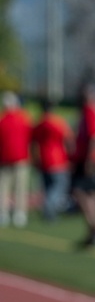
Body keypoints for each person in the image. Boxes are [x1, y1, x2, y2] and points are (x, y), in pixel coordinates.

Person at [70, 83, 95, 247]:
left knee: (80, 192)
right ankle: (93, 229)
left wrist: (90, 160)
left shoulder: (92, 112)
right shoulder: (91, 111)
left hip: (89, 159)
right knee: (91, 193)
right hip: (88, 158)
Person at [31, 99, 74, 220]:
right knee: (59, 186)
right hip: (57, 159)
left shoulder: (39, 123)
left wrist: (35, 159)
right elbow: (69, 139)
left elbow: (34, 143)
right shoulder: (57, 122)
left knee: (48, 187)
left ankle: (48, 210)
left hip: (43, 159)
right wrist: (71, 156)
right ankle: (49, 208)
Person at [0, 92, 33, 227]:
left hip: (9, 158)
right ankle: (19, 213)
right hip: (19, 158)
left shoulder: (3, 120)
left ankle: (4, 213)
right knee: (19, 187)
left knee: (4, 187)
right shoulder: (24, 118)